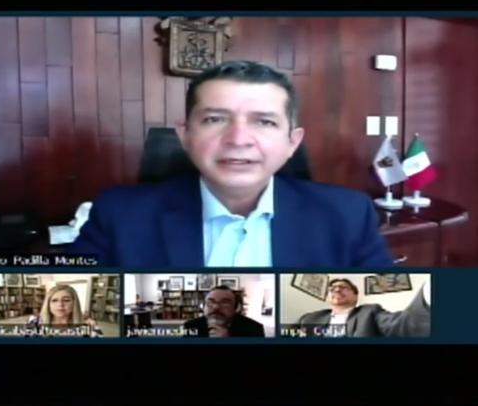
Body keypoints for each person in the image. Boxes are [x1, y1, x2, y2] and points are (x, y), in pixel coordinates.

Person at [70, 60, 393, 268]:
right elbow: (63, 312)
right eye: (215, 119)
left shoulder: (348, 215)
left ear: (292, 143)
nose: (238, 139)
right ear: (185, 135)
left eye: (264, 122)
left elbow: (383, 318)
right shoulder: (118, 215)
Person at [294, 278, 431, 337]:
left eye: (343, 287)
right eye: (332, 289)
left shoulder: (370, 312)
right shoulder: (308, 319)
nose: (337, 290)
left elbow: (401, 326)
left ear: (355, 296)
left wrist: (428, 294)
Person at [183, 285, 265, 338]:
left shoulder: (254, 329)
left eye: (225, 302)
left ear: (236, 308)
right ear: (203, 306)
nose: (216, 307)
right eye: (210, 302)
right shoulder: (191, 326)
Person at [36, 284, 103, 337]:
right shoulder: (36, 322)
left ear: (74, 303)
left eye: (66, 300)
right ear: (48, 304)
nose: (60, 304)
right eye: (54, 300)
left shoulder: (89, 326)